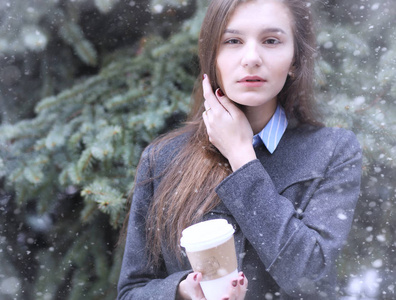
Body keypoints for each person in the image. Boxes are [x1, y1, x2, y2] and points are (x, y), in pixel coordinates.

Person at [117, 0, 362, 299]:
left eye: (271, 41)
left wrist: (242, 157)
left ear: (295, 60)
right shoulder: (163, 158)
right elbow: (131, 291)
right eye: (232, 41)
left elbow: (312, 280)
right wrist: (181, 292)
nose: (251, 58)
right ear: (212, 56)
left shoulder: (332, 151)